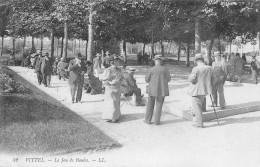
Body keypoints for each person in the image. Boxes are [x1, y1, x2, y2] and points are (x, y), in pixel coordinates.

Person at [188, 53, 216, 128]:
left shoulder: (196, 68)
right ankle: (198, 122)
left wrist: (189, 77)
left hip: (196, 91)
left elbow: (192, 79)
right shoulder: (209, 68)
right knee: (199, 106)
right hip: (204, 91)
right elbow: (214, 79)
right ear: (203, 60)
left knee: (197, 108)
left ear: (196, 60)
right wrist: (209, 87)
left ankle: (199, 124)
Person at [144, 55, 171, 125]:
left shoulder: (151, 69)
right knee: (159, 106)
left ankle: (147, 120)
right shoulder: (165, 69)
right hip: (161, 91)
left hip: (152, 90)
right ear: (161, 61)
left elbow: (146, 80)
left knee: (150, 105)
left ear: (155, 61)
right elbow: (169, 79)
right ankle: (157, 121)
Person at [100, 56, 124, 123]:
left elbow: (122, 77)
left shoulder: (119, 70)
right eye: (118, 61)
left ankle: (116, 116)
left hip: (117, 88)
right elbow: (103, 79)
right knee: (111, 103)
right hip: (110, 89)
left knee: (116, 102)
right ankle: (111, 117)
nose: (119, 62)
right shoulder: (108, 70)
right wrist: (110, 83)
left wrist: (121, 81)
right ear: (114, 62)